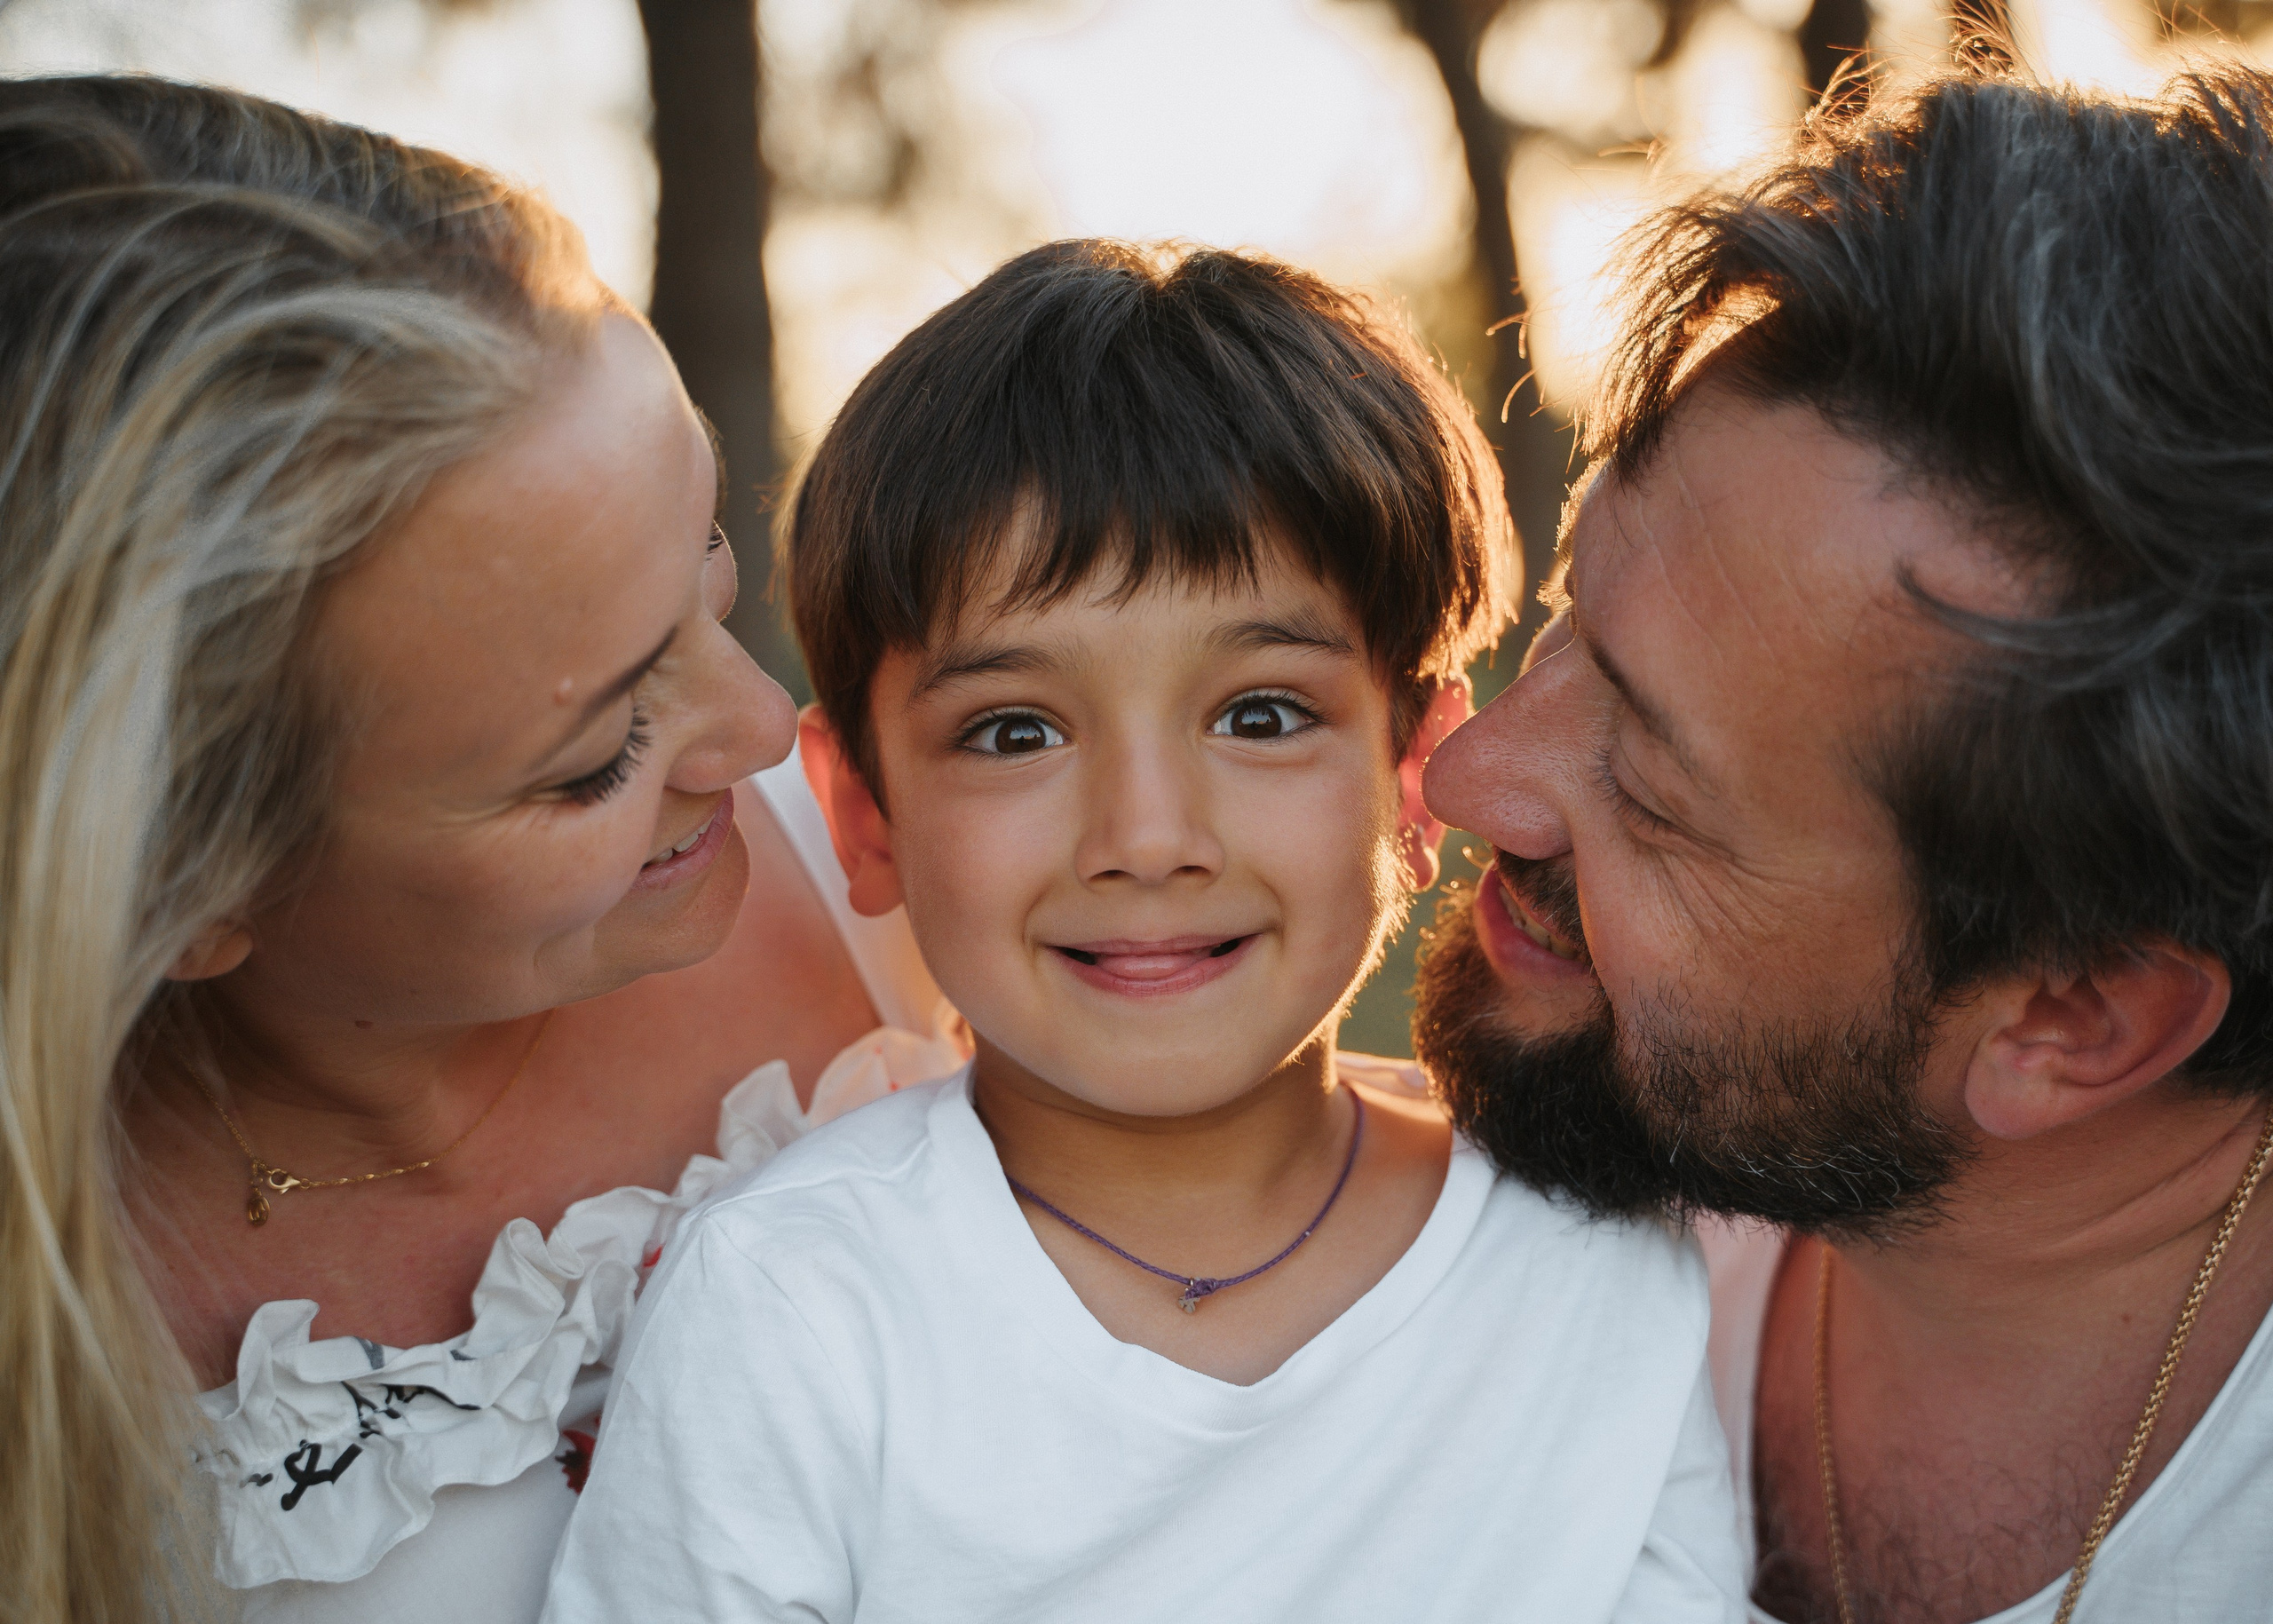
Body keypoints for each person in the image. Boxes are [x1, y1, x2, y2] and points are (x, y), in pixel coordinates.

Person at [542, 241, 1746, 1624]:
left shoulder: (1593, 1260)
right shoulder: (790, 1303)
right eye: (1016, 731)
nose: (1147, 834)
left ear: (1418, 771)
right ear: (863, 814)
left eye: (1261, 714)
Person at [0, 75, 963, 1624]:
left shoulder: (924, 884)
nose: (761, 727)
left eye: (707, 559)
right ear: (185, 892)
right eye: (597, 756)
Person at [1414, 62, 2273, 1624]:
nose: (1469, 776)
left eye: (1654, 792)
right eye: (1567, 617)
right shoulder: (1450, 1224)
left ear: (2073, 1017)